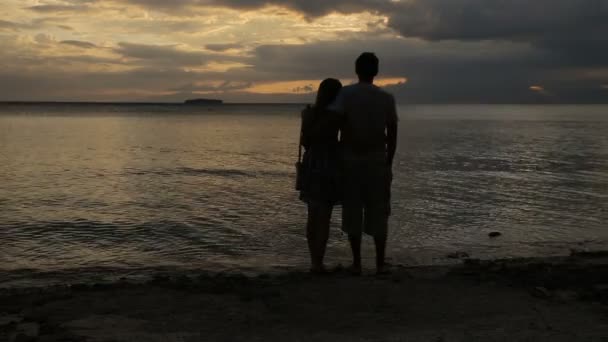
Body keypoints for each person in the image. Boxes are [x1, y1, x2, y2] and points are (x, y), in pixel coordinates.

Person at [330, 52, 398, 275]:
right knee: (379, 211)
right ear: (376, 71)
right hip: (377, 160)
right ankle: (379, 263)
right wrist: (388, 162)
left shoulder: (346, 94)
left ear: (356, 70)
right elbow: (393, 134)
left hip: (351, 159)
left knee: (353, 210)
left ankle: (357, 263)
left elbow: (336, 125)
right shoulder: (386, 98)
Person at [298, 78, 343, 274]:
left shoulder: (307, 113)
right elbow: (342, 140)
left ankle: (313, 261)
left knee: (312, 214)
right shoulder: (337, 115)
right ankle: (319, 262)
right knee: (324, 216)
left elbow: (304, 142)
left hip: (311, 163)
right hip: (329, 164)